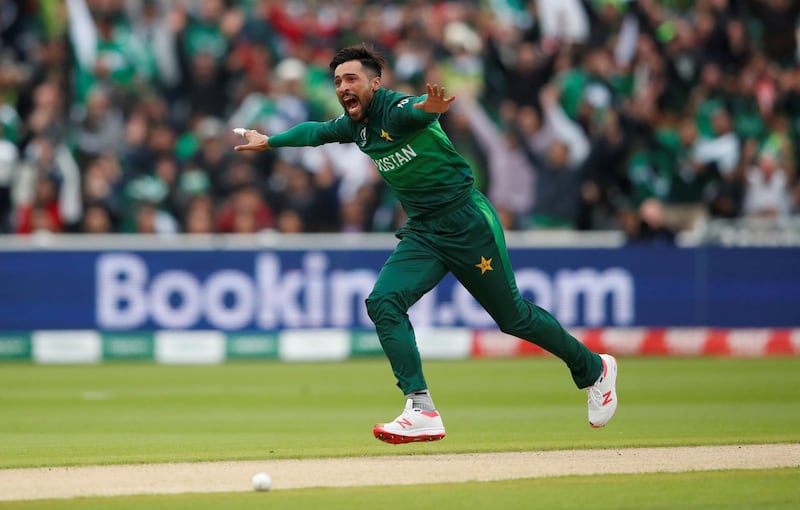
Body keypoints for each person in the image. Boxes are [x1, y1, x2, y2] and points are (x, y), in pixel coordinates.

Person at [233, 46, 618, 444]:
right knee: (382, 301)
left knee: (513, 318)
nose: (343, 87)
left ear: (375, 84)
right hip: (424, 230)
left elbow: (417, 109)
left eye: (351, 79)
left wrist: (431, 107)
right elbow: (315, 132)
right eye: (337, 82)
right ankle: (421, 407)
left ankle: (595, 369)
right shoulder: (356, 126)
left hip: (467, 221)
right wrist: (270, 142)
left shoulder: (395, 108)